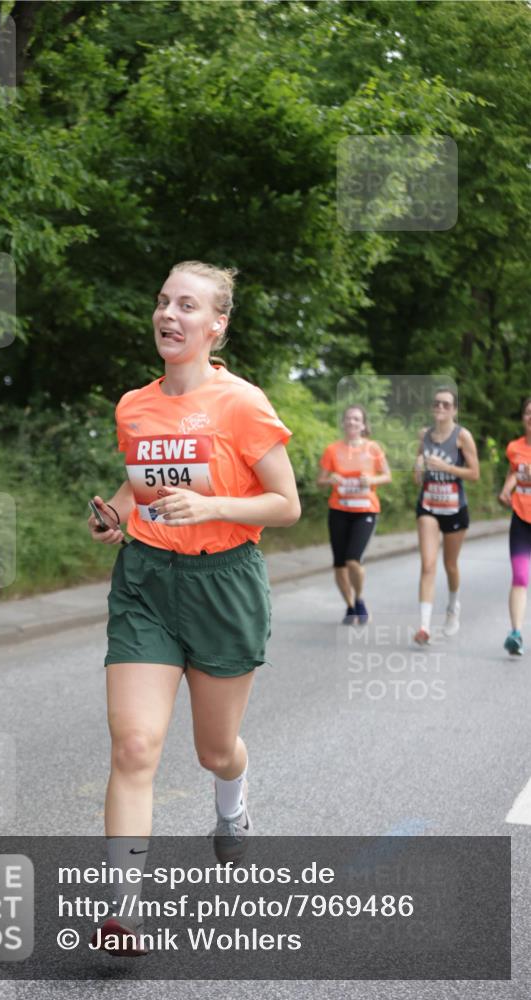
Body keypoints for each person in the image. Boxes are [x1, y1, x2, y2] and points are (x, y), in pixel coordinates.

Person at [87, 260, 300, 954]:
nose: (168, 315)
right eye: (162, 302)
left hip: (223, 585)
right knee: (134, 745)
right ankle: (122, 912)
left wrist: (213, 506)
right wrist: (116, 515)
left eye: (186, 305)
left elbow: (286, 505)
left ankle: (232, 804)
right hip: (146, 582)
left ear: (216, 325)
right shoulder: (134, 405)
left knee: (215, 751)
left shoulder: (242, 403)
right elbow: (139, 484)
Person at [413, 387, 480, 645]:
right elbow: (417, 477)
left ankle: (453, 607)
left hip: (454, 508)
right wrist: (418, 467)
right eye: (437, 403)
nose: (440, 407)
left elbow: (474, 474)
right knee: (428, 564)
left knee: (450, 564)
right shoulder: (424, 435)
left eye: (446, 404)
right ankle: (424, 626)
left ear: (454, 410)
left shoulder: (463, 436)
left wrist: (447, 467)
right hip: (428, 505)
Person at [317, 405, 391, 624]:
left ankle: (359, 598)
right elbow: (320, 481)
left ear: (364, 425)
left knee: (353, 560)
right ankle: (350, 606)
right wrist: (330, 479)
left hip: (365, 511)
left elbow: (387, 475)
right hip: (339, 510)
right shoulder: (332, 450)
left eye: (357, 419)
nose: (352, 422)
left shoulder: (373, 448)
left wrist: (372, 480)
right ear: (343, 423)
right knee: (339, 564)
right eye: (349, 418)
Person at [499, 396, 531, 656]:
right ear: (523, 417)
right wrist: (506, 489)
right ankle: (516, 634)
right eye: (529, 412)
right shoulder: (514, 447)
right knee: (520, 576)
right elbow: (514, 471)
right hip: (521, 518)